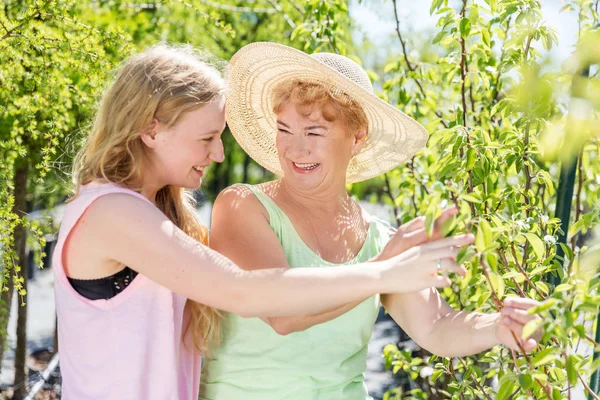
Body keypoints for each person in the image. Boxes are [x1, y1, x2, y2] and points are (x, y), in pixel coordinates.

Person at [53, 44, 468, 400]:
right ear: (150, 130)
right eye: (206, 138)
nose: (218, 154)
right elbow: (245, 292)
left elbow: (438, 326)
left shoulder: (158, 214)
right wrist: (383, 271)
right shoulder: (110, 213)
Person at [200, 42, 542, 400]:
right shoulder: (242, 205)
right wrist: (384, 267)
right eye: (284, 129)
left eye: (314, 132)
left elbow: (438, 326)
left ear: (357, 137)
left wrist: (499, 326)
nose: (294, 149)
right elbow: (282, 314)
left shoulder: (378, 237)